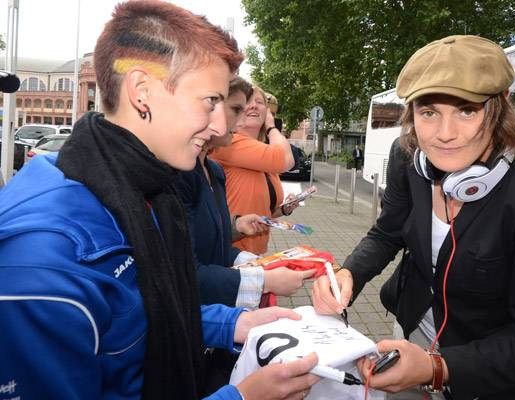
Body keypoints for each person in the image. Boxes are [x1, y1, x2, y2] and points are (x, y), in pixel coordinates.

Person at [0, 2, 319, 400]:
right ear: (142, 91)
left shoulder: (142, 192)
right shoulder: (48, 257)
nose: (222, 125)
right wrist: (242, 397)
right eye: (210, 101)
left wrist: (236, 323)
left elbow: (147, 312)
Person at [312, 35, 515, 400]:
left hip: (496, 379)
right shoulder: (408, 156)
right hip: (412, 342)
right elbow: (387, 232)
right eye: (428, 112)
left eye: (466, 110)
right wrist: (348, 273)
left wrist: (437, 368)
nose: (444, 135)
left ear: (500, 106)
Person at [176, 77, 316, 391]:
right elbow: (186, 272)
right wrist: (264, 278)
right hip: (195, 324)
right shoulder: (181, 174)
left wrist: (247, 245)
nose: (240, 119)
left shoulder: (212, 172)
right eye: (236, 109)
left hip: (211, 319)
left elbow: (209, 242)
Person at [211, 86, 298, 255]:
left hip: (253, 253)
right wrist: (271, 128)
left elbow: (264, 212)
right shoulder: (230, 143)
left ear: (267, 111)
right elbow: (287, 160)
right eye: (247, 102)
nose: (253, 106)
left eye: (259, 102)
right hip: (228, 253)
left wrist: (284, 209)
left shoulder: (264, 154)